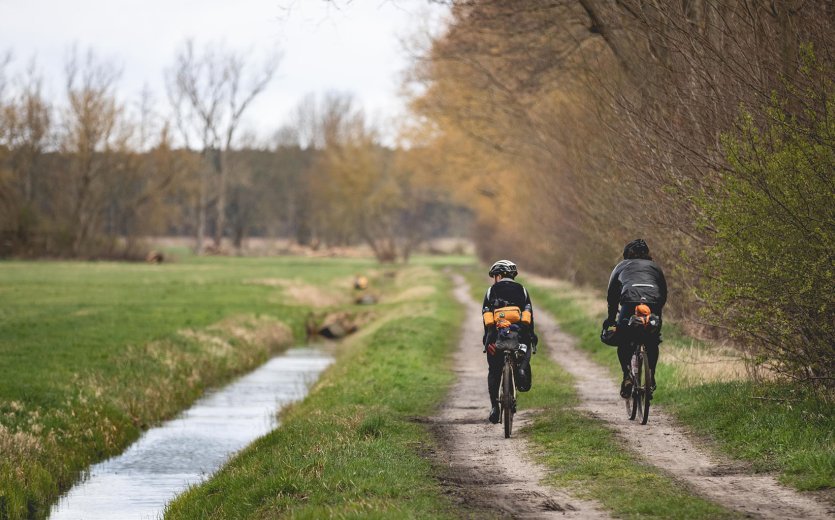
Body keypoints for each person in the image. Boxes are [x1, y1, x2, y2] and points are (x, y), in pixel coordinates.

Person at [603, 239, 667, 398]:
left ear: (626, 254)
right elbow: (664, 293)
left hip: (629, 303)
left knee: (623, 339)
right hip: (653, 304)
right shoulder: (655, 267)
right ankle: (650, 376)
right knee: (652, 340)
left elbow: (612, 296)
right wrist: (656, 308)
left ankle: (627, 376)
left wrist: (611, 319)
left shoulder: (621, 266)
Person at [482, 259, 536, 424]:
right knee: (524, 351)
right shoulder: (523, 291)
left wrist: (487, 341)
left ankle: (494, 407)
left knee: (494, 370)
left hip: (497, 340)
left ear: (499, 275)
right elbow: (530, 319)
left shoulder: (491, 291)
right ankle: (520, 369)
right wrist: (532, 339)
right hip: (519, 338)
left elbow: (486, 320)